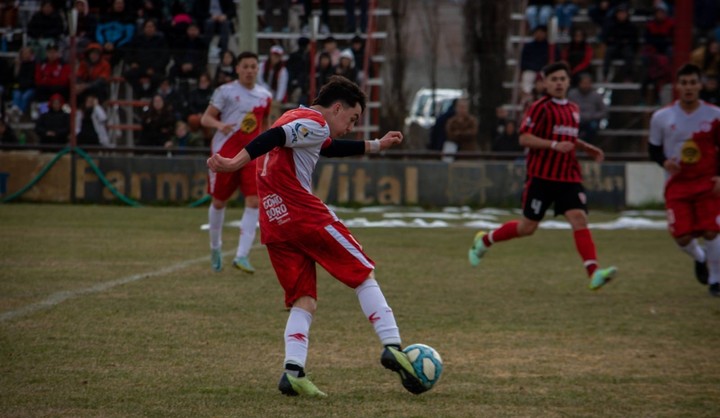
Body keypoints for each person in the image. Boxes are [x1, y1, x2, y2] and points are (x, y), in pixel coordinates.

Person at [206, 75, 424, 397]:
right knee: (363, 273)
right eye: (352, 118)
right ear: (336, 108)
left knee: (303, 300)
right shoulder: (313, 122)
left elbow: (328, 148)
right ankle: (392, 346)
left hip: (275, 224)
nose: (351, 126)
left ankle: (293, 371)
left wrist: (377, 144)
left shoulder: (296, 118)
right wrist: (235, 162)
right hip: (303, 216)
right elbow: (274, 136)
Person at [468, 62, 618, 291]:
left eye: (562, 79)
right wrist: (553, 145)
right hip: (542, 177)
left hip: (568, 177)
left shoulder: (574, 109)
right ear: (545, 83)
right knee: (527, 227)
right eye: (554, 79)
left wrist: (586, 147)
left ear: (568, 82)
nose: (558, 83)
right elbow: (524, 138)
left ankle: (594, 272)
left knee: (579, 218)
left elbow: (568, 137)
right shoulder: (540, 107)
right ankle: (485, 240)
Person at [648, 63, 720, 297]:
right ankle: (700, 259)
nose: (688, 88)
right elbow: (654, 149)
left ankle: (716, 281)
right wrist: (664, 162)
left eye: (693, 83)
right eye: (684, 83)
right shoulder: (661, 117)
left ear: (700, 85)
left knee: (711, 230)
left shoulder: (715, 115)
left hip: (707, 182)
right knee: (682, 236)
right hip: (677, 185)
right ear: (677, 86)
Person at [201, 51, 272, 274]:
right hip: (224, 154)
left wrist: (269, 146)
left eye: (253, 66)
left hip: (251, 155)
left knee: (253, 201)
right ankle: (215, 248)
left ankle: (242, 256)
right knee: (220, 202)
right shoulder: (226, 91)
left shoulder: (265, 96)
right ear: (237, 69)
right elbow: (205, 118)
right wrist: (220, 125)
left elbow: (266, 125)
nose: (250, 70)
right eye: (246, 66)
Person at [567, 73, 607, 144]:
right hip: (576, 120)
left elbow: (603, 111)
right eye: (584, 83)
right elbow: (567, 109)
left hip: (591, 120)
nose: (585, 86)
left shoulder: (596, 96)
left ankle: (587, 145)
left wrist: (592, 116)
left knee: (593, 127)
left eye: (587, 83)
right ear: (579, 83)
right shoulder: (572, 94)